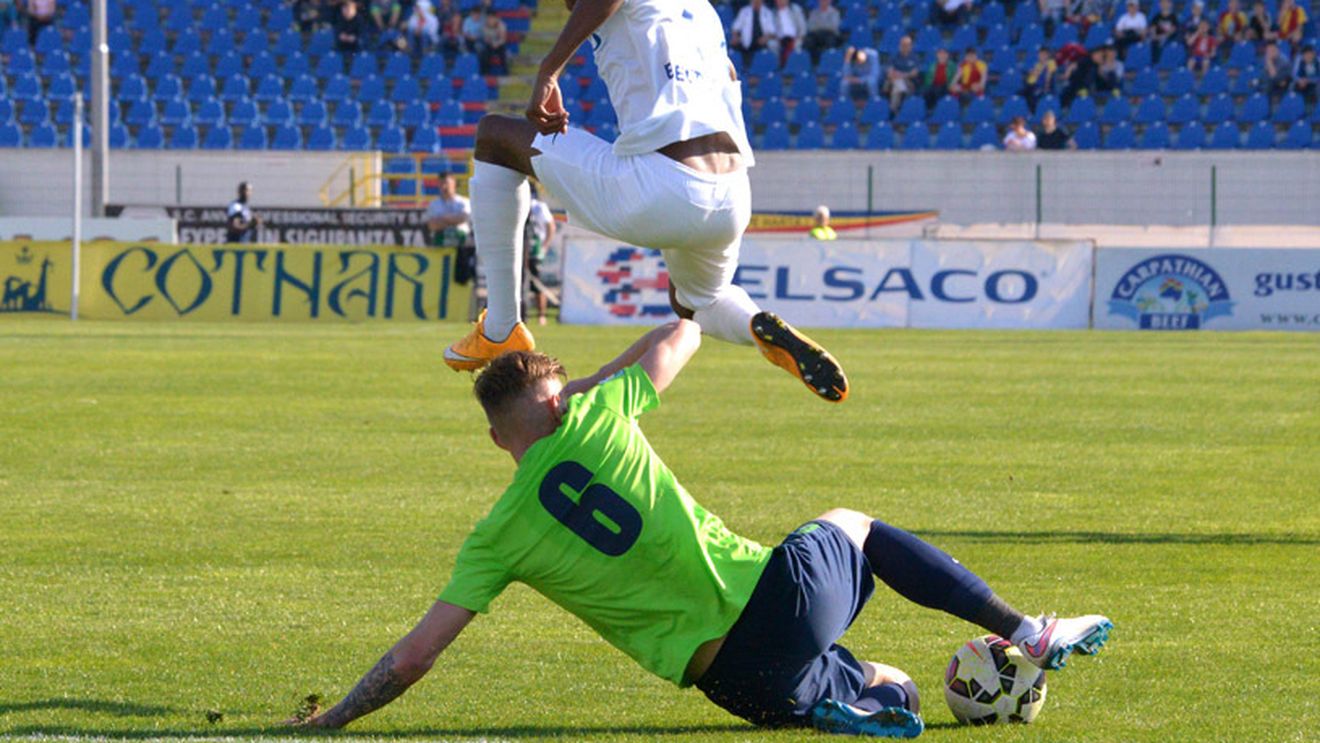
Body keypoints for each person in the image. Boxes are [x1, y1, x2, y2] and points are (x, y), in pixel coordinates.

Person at [283, 325, 1113, 735]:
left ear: (500, 435)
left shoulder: (496, 536)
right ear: (562, 399)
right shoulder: (599, 412)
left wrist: (331, 723)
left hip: (735, 686)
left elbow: (415, 655)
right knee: (852, 523)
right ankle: (1024, 631)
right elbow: (680, 331)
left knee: (892, 684)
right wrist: (608, 371)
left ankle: (844, 705)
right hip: (779, 605)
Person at [442, 0, 848, 403]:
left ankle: (500, 328)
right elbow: (727, 77)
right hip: (731, 192)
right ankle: (755, 323)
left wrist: (549, 70)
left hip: (663, 185)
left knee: (495, 136)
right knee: (698, 302)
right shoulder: (703, 13)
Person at [523, 184, 556, 325]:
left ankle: (541, 315)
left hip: (534, 248)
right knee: (519, 283)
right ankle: (522, 314)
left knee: (537, 283)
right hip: (520, 248)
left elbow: (551, 226)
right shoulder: (516, 205)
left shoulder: (538, 207)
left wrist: (545, 246)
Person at [425, 173, 471, 248]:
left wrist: (441, 219)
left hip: (462, 243)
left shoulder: (464, 202)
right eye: (441, 183)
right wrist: (454, 220)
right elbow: (432, 225)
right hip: (440, 243)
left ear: (454, 183)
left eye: (446, 183)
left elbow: (463, 218)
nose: (444, 186)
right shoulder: (433, 204)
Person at [731, 0, 777, 69]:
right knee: (734, 47)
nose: (756, 2)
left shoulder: (767, 13)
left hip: (761, 43)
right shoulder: (744, 11)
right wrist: (735, 36)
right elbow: (735, 27)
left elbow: (772, 32)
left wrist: (766, 38)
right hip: (746, 42)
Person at [884, 35, 920, 112]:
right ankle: (897, 109)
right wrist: (898, 75)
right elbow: (889, 72)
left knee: (897, 87)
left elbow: (915, 73)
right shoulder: (894, 56)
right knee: (898, 84)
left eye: (907, 45)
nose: (905, 47)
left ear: (911, 46)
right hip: (893, 81)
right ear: (900, 45)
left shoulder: (914, 57)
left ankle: (893, 110)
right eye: (903, 44)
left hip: (909, 82)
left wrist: (901, 75)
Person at [803, 0, 842, 65]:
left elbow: (833, 26)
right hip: (816, 34)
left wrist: (819, 25)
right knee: (808, 41)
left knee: (830, 41)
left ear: (829, 1)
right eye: (822, 1)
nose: (824, 2)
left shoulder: (835, 12)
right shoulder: (814, 12)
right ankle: (811, 63)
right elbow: (810, 26)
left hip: (829, 34)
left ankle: (828, 63)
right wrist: (824, 25)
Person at [771, 0, 807, 66]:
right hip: (780, 38)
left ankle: (795, 66)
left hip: (795, 37)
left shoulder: (795, 9)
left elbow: (803, 27)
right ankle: (777, 66)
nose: (780, 2)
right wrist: (776, 37)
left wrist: (800, 37)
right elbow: (772, 30)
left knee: (797, 45)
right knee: (772, 44)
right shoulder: (773, 12)